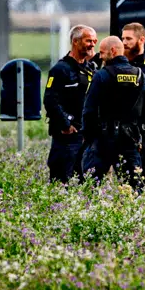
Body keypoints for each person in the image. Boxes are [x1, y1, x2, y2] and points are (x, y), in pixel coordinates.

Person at [81, 36, 145, 184]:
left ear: (113, 51)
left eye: (102, 53)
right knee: (134, 190)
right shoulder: (141, 76)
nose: (100, 57)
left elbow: (89, 111)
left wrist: (89, 139)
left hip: (102, 140)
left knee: (89, 188)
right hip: (130, 140)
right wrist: (141, 136)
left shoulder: (101, 76)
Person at [45, 25, 98, 182]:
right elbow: (50, 100)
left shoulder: (90, 69)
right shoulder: (60, 69)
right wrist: (65, 124)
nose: (92, 45)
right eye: (89, 41)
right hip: (66, 138)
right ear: (75, 41)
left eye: (94, 41)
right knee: (61, 181)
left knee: (85, 182)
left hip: (85, 137)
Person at [122, 23, 145, 171]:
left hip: (139, 131)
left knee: (139, 176)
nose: (124, 42)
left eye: (129, 39)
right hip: (118, 130)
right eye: (122, 38)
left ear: (141, 40)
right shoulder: (117, 64)